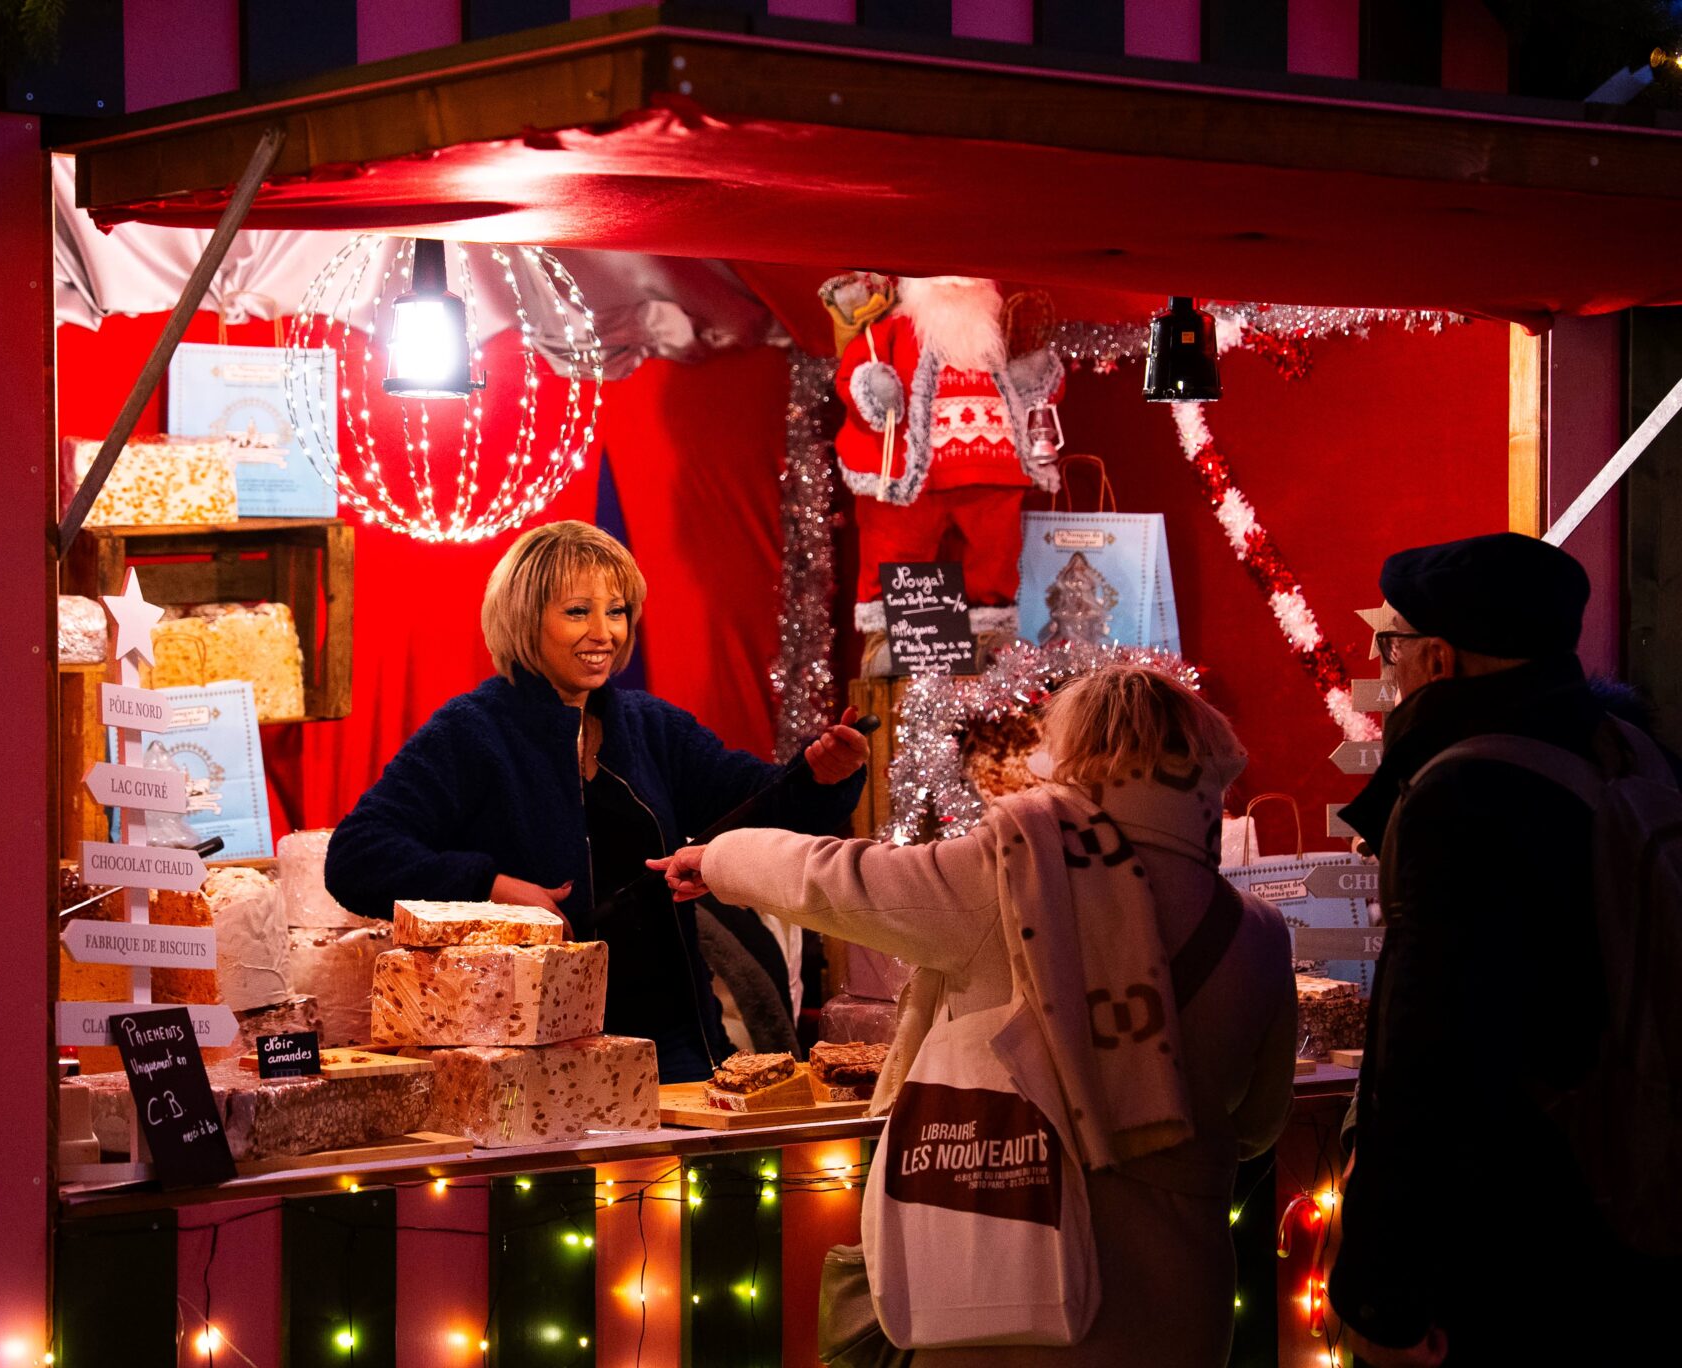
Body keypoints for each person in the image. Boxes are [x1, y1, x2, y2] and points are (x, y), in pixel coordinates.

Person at [651, 666, 1297, 1366]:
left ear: (1071, 758)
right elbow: (1259, 1127)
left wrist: (720, 857)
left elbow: (842, 880)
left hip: (1013, 1292)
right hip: (1183, 1303)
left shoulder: (1017, 876)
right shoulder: (1259, 934)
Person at [324, 520, 869, 1083]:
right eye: (578, 611)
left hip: (676, 1047)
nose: (605, 632)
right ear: (524, 618)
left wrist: (823, 775)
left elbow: (765, 807)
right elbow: (356, 857)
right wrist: (490, 888)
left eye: (617, 610)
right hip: (527, 1061)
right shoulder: (469, 734)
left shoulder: (652, 728)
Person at [1330, 531, 1679, 1366]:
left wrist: (1382, 1293)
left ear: (1439, 659)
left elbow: (1429, 1054)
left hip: (1512, 1237)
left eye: (1393, 644)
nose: (1388, 664)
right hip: (1641, 1198)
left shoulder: (1464, 793)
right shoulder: (1635, 752)